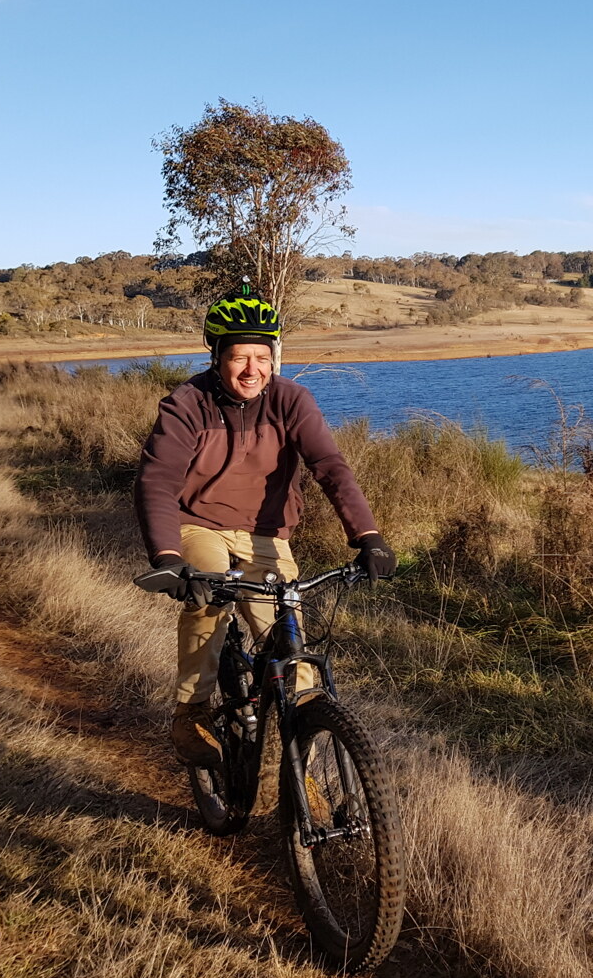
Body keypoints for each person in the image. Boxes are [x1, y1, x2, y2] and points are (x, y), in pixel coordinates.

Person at [134, 289, 396, 765]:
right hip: (198, 524)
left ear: (274, 358)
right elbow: (158, 479)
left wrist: (367, 536)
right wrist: (169, 559)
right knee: (210, 593)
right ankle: (190, 711)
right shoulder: (186, 404)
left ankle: (304, 780)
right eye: (239, 357)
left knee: (289, 647)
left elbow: (330, 467)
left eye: (262, 356)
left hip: (265, 536)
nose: (252, 369)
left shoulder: (292, 400)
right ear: (217, 358)